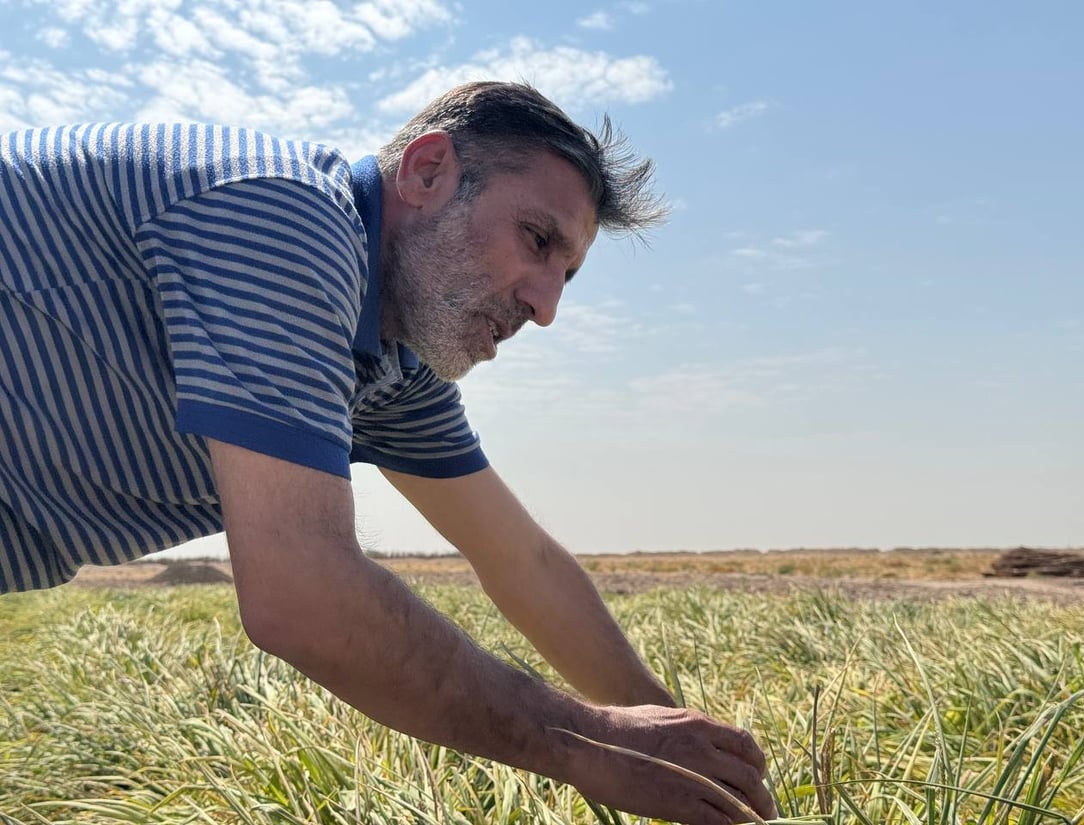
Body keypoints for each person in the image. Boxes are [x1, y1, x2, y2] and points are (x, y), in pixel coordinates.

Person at [0, 81, 777, 824]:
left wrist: (689, 758)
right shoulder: (283, 214)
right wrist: (586, 743)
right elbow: (300, 590)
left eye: (566, 276)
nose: (545, 307)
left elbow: (524, 563)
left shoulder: (390, 371)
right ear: (428, 170)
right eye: (537, 240)